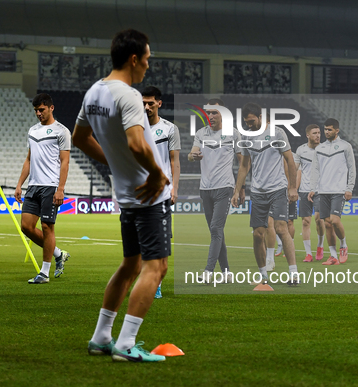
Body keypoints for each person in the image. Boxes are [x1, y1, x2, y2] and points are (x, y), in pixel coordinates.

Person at [75, 29, 170, 362]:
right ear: (133, 59)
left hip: (127, 195)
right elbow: (136, 143)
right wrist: (158, 174)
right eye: (146, 60)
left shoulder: (93, 93)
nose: (147, 66)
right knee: (155, 267)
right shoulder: (127, 95)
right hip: (149, 195)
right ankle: (126, 344)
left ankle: (101, 337)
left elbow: (80, 138)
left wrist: (113, 164)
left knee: (131, 264)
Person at [232, 102, 298, 284]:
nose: (249, 125)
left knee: (281, 228)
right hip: (258, 192)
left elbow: (290, 160)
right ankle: (263, 277)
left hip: (277, 188)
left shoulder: (277, 133)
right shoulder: (245, 136)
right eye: (247, 122)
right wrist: (237, 190)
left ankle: (294, 274)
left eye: (252, 121)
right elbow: (244, 165)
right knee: (257, 234)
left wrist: (292, 187)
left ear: (261, 117)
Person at [15, 93, 71, 284]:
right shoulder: (32, 131)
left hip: (51, 185)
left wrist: (61, 188)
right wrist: (19, 184)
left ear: (51, 108)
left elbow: (65, 162)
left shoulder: (61, 131)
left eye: (42, 110)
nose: (38, 113)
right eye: (36, 111)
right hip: (33, 185)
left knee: (47, 227)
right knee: (26, 227)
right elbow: (29, 159)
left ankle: (44, 273)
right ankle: (58, 253)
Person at [189, 98, 243, 283]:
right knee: (216, 232)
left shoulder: (233, 134)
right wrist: (193, 156)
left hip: (224, 187)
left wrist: (240, 188)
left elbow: (243, 163)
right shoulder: (201, 133)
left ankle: (208, 271)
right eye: (209, 112)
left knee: (215, 228)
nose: (211, 116)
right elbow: (191, 154)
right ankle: (227, 272)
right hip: (205, 189)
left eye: (215, 112)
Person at [142, 85, 180, 298]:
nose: (146, 107)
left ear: (159, 103)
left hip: (162, 193)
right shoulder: (134, 128)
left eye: (150, 103)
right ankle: (147, 279)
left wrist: (174, 187)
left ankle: (155, 283)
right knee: (142, 240)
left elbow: (175, 161)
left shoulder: (169, 129)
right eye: (143, 103)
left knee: (161, 240)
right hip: (140, 193)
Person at [309, 118, 356, 265]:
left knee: (335, 221)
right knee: (327, 224)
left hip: (339, 190)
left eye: (329, 129)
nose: (326, 132)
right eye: (325, 129)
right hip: (323, 190)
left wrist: (349, 188)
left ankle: (343, 245)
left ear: (337, 130)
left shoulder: (345, 146)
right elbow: (315, 170)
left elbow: (352, 168)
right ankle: (333, 256)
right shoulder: (319, 148)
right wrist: (312, 188)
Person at [296, 124, 325, 262]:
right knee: (306, 221)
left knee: (319, 219)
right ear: (308, 135)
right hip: (304, 189)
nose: (318, 135)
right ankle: (308, 253)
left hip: (321, 189)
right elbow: (296, 169)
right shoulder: (301, 150)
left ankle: (320, 246)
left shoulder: (325, 149)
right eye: (315, 133)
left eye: (319, 133)